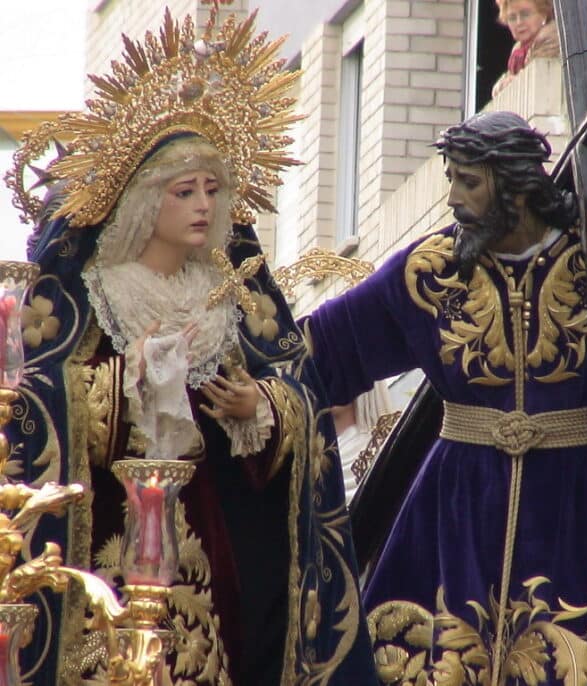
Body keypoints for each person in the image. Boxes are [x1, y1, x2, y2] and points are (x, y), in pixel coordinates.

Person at [6, 8, 377, 686]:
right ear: (147, 201)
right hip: (110, 546)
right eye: (185, 191)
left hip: (218, 541)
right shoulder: (90, 295)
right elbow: (35, 404)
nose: (204, 206)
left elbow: (301, 398)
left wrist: (261, 406)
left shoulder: (235, 296)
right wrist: (125, 386)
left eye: (214, 189)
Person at [302, 111, 587, 684]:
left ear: (518, 185)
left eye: (468, 181)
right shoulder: (429, 270)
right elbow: (322, 349)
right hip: (458, 505)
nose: (452, 197)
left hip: (581, 499)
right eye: (450, 178)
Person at [492, 0, 560, 97]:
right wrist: (503, 84)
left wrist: (511, 82)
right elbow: (498, 89)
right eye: (512, 18)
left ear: (544, 14)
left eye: (525, 14)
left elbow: (535, 79)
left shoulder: (550, 37)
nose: (519, 22)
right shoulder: (518, 49)